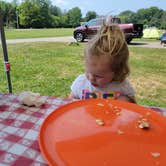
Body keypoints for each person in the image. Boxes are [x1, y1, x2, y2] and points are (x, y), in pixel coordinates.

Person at [69, 23, 136, 103]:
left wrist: (126, 101)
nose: (91, 78)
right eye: (88, 71)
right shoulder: (81, 83)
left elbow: (132, 104)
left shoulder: (122, 86)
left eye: (98, 76)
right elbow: (70, 102)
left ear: (117, 72)